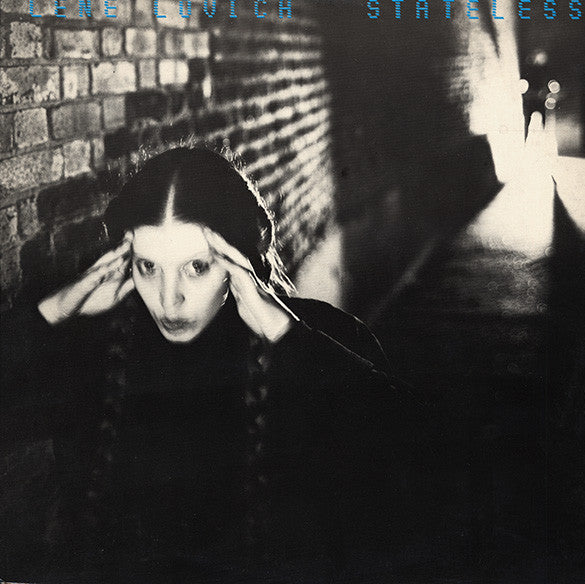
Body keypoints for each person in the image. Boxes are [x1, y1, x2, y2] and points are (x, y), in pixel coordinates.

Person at [2, 147, 403, 583]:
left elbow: (418, 462)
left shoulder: (322, 340)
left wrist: (287, 337)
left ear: (240, 259)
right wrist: (53, 311)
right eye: (148, 266)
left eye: (196, 267)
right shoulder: (94, 351)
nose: (169, 298)